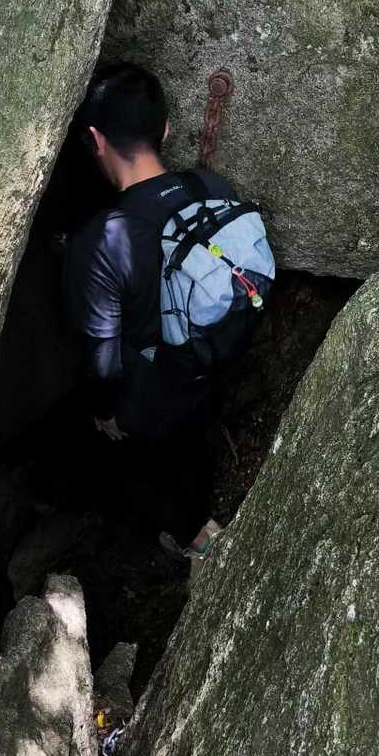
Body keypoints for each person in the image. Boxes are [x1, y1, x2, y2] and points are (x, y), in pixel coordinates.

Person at [66, 62, 226, 561]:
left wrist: (104, 413)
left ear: (96, 140)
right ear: (166, 130)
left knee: (126, 461)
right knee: (192, 446)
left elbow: (103, 363)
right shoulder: (212, 190)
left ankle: (194, 537)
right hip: (214, 360)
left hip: (154, 396)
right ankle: (197, 514)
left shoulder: (101, 242)